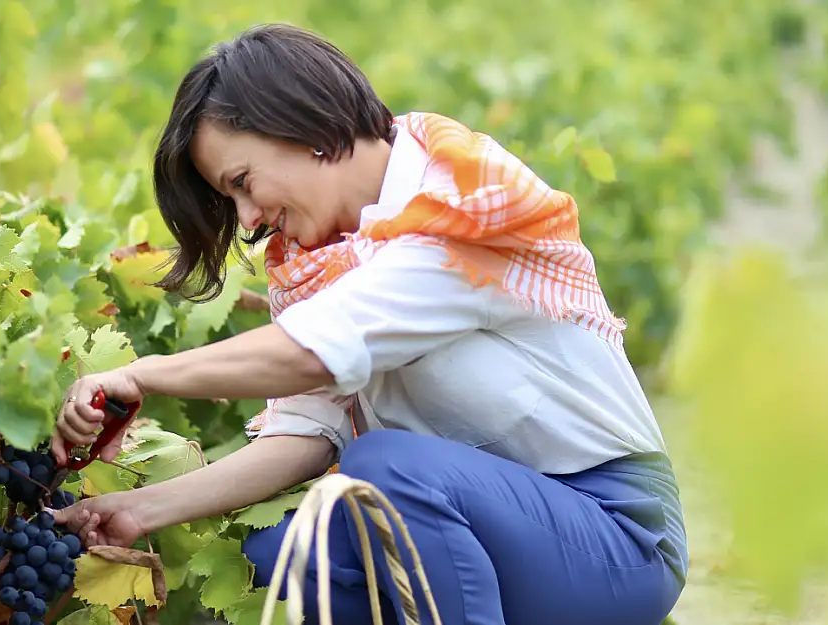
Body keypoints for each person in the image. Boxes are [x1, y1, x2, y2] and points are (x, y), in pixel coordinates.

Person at [47, 23, 688, 625]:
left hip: (619, 535)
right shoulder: (320, 265)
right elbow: (308, 433)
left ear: (307, 128)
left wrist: (144, 374)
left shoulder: (452, 208)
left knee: (385, 467)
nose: (245, 219)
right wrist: (134, 511)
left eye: (242, 182)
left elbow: (316, 353)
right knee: (286, 558)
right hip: (497, 526)